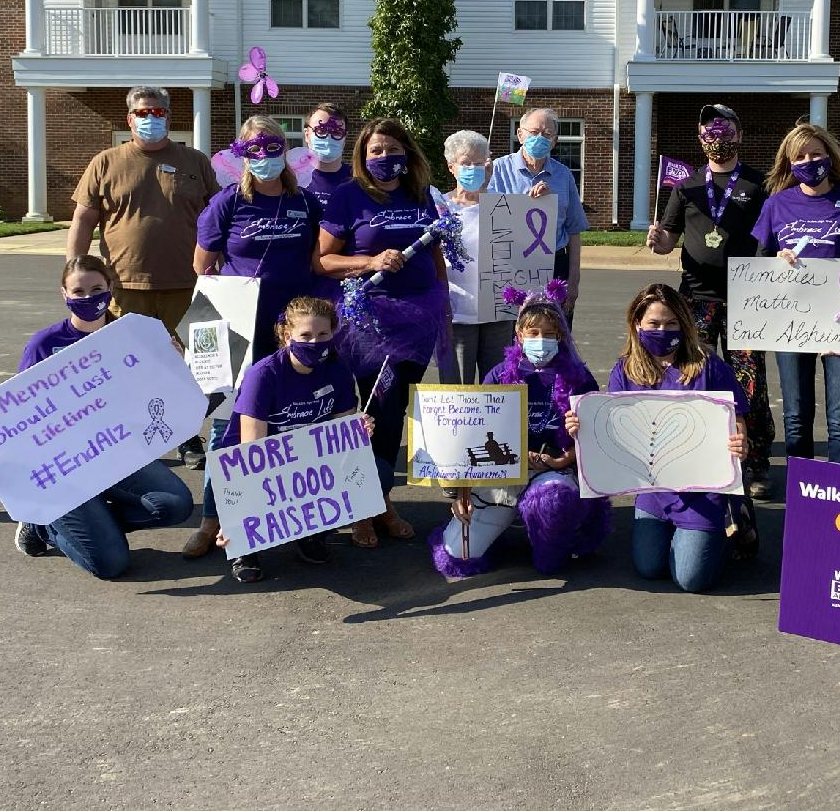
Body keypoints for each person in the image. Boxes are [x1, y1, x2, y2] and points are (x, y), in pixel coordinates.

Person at [0, 256, 193, 579]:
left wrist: (178, 364)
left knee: (176, 504)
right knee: (111, 564)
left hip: (115, 456)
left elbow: (162, 396)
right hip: (63, 470)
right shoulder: (45, 345)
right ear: (64, 294)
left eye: (96, 289)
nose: (88, 297)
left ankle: (93, 525)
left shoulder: (132, 336)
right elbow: (16, 416)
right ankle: (43, 525)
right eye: (78, 291)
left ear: (111, 288)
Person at [185, 114, 323, 555]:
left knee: (294, 423)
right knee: (229, 424)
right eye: (254, 149)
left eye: (272, 146)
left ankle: (296, 522)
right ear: (241, 154)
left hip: (293, 333)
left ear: (287, 149)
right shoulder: (227, 203)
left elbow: (321, 260)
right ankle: (212, 519)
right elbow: (202, 265)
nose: (264, 156)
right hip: (238, 328)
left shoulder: (307, 203)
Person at [567, 283, 751, 594]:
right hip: (652, 489)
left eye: (671, 323)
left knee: (690, 579)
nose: (662, 330)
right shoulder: (625, 370)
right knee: (649, 567)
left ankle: (729, 527)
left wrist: (740, 442)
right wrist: (581, 426)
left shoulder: (709, 365)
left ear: (684, 324)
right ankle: (684, 536)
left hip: (701, 490)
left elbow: (738, 418)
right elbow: (612, 428)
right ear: (637, 324)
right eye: (653, 324)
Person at [318, 118, 450, 548]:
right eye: (375, 150)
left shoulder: (422, 196)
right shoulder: (347, 196)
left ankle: (382, 500)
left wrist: (443, 304)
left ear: (407, 153)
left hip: (418, 320)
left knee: (397, 410)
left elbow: (435, 255)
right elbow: (323, 260)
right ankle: (363, 505)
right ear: (362, 156)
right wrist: (370, 262)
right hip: (368, 323)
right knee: (374, 409)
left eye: (391, 149)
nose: (383, 157)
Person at [68, 86, 216, 465]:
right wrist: (75, 267)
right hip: (123, 286)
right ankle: (133, 439)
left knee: (185, 368)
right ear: (130, 118)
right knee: (126, 365)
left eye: (158, 112)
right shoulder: (105, 162)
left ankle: (187, 436)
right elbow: (83, 219)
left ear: (169, 116)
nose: (151, 119)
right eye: (143, 112)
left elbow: (217, 217)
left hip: (186, 286)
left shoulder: (194, 161)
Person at [431, 283, 608, 578]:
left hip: (555, 472)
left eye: (550, 334)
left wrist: (565, 456)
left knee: (553, 502)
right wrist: (463, 490)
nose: (542, 340)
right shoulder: (499, 375)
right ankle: (499, 530)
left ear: (561, 337)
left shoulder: (579, 378)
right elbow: (473, 431)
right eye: (534, 333)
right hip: (502, 473)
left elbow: (598, 441)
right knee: (457, 560)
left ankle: (549, 548)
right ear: (519, 335)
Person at [646, 103, 777, 498]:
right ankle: (696, 452)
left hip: (746, 297)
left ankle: (754, 464)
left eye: (724, 130)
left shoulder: (758, 184)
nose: (717, 138)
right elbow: (669, 239)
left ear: (739, 134)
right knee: (692, 375)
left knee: (749, 383)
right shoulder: (686, 187)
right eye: (709, 131)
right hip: (696, 298)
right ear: (700, 139)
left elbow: (770, 235)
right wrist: (659, 240)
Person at [752, 123, 840, 466]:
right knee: (796, 419)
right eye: (800, 156)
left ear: (830, 155)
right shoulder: (776, 205)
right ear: (789, 162)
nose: (809, 161)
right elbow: (760, 266)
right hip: (791, 324)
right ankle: (803, 493)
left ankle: (838, 491)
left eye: (815, 153)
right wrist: (778, 262)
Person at [211, 296, 361, 581]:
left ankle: (311, 532)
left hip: (306, 457)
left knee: (372, 471)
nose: (315, 342)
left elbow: (342, 434)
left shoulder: (339, 371)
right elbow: (251, 450)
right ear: (286, 334)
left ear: (333, 333)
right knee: (259, 478)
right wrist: (238, 511)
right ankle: (245, 546)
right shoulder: (263, 375)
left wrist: (359, 430)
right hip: (255, 458)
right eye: (305, 335)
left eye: (323, 334)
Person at [488, 107, 588, 319]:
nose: (540, 138)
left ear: (555, 140)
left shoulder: (563, 175)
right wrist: (526, 204)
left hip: (554, 266)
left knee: (555, 336)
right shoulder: (497, 170)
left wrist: (574, 281)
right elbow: (489, 222)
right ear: (520, 134)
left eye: (547, 134)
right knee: (514, 338)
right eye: (534, 132)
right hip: (512, 266)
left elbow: (574, 231)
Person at [434, 129, 509, 383]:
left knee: (499, 388)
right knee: (459, 390)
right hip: (457, 314)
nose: (473, 169)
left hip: (498, 313)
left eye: (479, 163)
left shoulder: (505, 206)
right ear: (451, 167)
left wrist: (537, 202)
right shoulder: (440, 207)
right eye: (466, 163)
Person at [299, 102, 354, 208]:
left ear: (345, 137)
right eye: (320, 130)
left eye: (337, 132)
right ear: (307, 135)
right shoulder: (291, 178)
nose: (328, 138)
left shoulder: (358, 180)